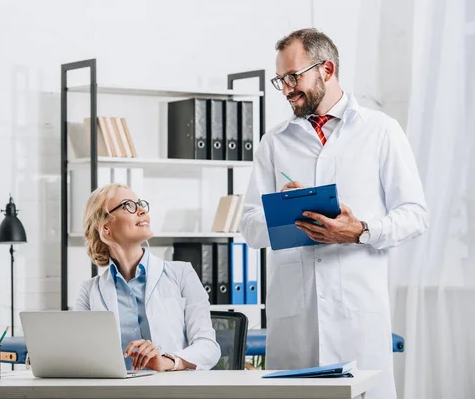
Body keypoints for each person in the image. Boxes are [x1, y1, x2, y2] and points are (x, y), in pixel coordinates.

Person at [240, 28, 428, 399]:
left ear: (326, 69)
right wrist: (280, 210)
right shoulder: (274, 142)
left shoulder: (381, 131)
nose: (287, 88)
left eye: (294, 77)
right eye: (281, 80)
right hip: (296, 325)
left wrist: (360, 230)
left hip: (358, 321)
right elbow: (249, 224)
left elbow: (415, 215)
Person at [74, 183, 220, 372]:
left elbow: (209, 347)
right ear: (106, 228)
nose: (142, 210)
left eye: (141, 204)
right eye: (128, 205)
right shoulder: (90, 291)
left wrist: (167, 361)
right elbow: (77, 352)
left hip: (169, 392)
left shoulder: (182, 274)